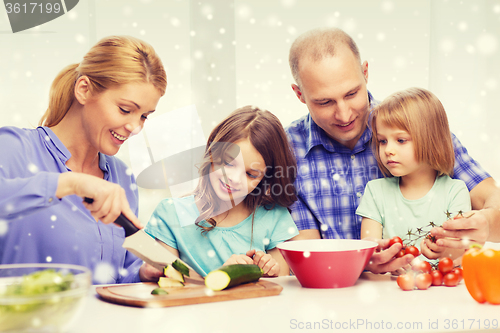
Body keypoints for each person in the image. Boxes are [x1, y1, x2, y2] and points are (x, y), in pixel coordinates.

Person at [285, 27, 500, 274]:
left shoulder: (416, 126)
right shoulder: (286, 152)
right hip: (336, 296)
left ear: (365, 73)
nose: (344, 114)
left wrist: (487, 222)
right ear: (300, 94)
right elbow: (306, 256)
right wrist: (361, 259)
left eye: (352, 93)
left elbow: (492, 197)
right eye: (325, 102)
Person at [0, 36, 167, 284]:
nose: (134, 127)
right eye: (125, 109)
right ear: (84, 90)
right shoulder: (14, 149)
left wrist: (141, 273)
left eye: (144, 116)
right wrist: (71, 184)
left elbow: (115, 275)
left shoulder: (122, 177)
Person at [144, 106, 299, 277]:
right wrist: (223, 275)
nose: (233, 178)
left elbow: (280, 284)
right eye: (228, 163)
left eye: (250, 174)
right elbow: (169, 282)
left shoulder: (274, 216)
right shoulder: (171, 214)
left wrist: (269, 271)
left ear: (265, 178)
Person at [356, 88, 471, 268]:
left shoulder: (455, 191)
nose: (388, 150)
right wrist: (382, 257)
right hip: (389, 289)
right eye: (382, 141)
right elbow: (369, 248)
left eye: (401, 140)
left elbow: (460, 251)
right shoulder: (375, 191)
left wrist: (440, 248)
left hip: (442, 290)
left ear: (431, 140)